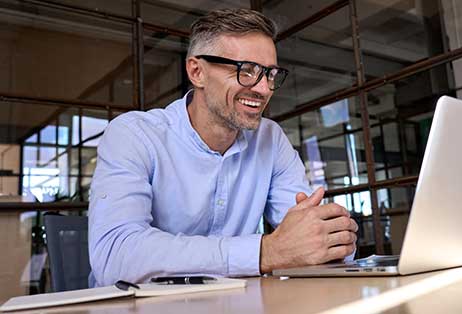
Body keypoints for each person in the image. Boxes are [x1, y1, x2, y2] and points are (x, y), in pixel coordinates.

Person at [88, 8, 358, 287]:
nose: (264, 89)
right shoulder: (134, 134)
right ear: (197, 72)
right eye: (246, 71)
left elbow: (306, 239)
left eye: (270, 74)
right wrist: (265, 252)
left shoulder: (270, 138)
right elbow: (114, 255)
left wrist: (331, 238)